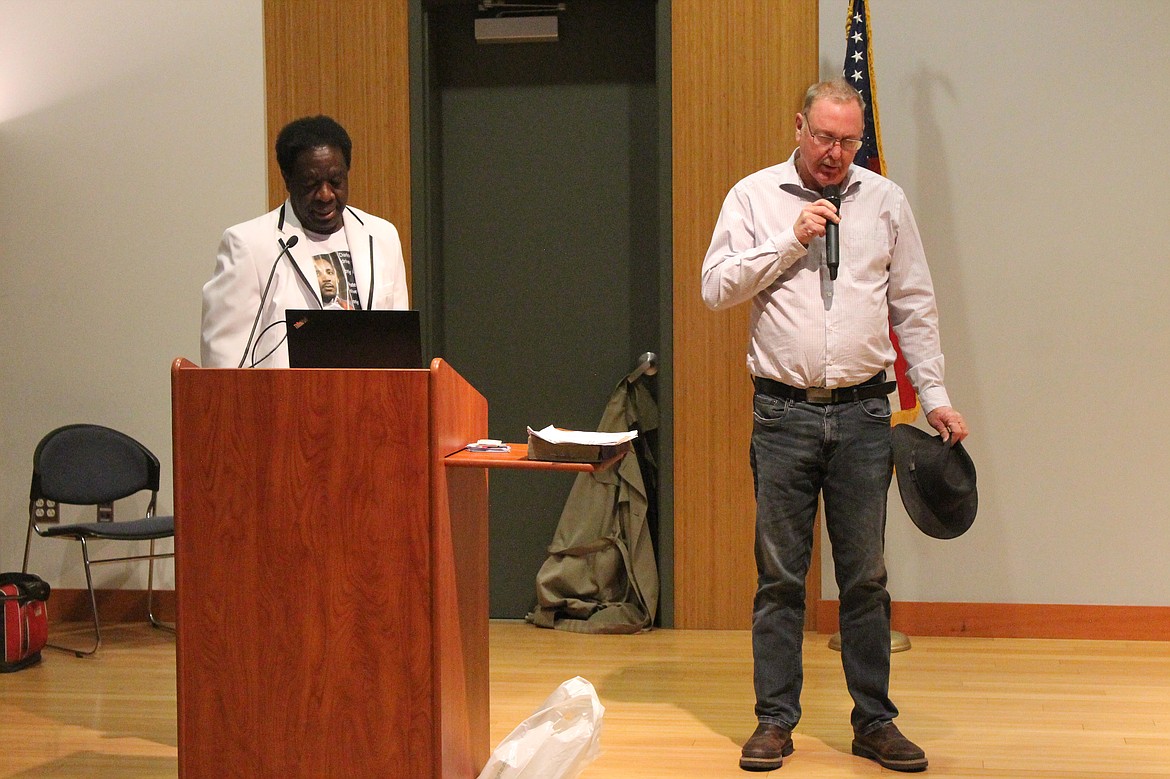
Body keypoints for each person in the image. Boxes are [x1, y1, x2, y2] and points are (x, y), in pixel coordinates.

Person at [701, 78, 968, 773]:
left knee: (864, 578)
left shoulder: (885, 201)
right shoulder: (752, 197)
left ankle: (874, 722)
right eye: (824, 136)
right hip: (783, 413)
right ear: (799, 126)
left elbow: (914, 304)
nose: (835, 152)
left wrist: (934, 394)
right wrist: (789, 241)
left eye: (848, 140)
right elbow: (715, 287)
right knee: (782, 576)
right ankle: (773, 721)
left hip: (864, 414)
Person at [201, 115, 408, 368]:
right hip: (283, 404)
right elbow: (224, 362)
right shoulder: (248, 245)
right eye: (311, 184)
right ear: (287, 179)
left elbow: (400, 350)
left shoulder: (381, 236)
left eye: (335, 182)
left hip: (368, 403)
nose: (325, 195)